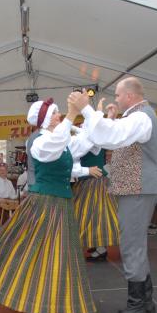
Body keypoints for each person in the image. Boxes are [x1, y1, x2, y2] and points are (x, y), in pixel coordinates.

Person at [0, 98, 97, 313]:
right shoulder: (39, 141)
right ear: (45, 119)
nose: (59, 115)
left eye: (59, 113)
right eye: (55, 113)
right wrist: (73, 116)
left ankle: (55, 303)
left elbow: (85, 142)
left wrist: (96, 115)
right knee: (43, 251)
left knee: (60, 253)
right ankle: (43, 302)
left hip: (60, 201)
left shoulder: (60, 139)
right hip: (46, 202)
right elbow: (55, 145)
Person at [69, 77, 157, 313]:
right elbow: (110, 136)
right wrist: (108, 119)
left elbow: (112, 136)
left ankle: (138, 305)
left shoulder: (141, 117)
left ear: (130, 96)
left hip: (138, 188)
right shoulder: (136, 116)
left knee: (131, 244)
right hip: (135, 188)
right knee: (134, 243)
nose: (116, 99)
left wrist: (86, 109)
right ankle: (146, 302)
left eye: (119, 96)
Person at [70, 106, 115, 262]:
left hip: (94, 181)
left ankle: (100, 248)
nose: (83, 128)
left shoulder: (93, 140)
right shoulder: (93, 138)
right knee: (92, 215)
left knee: (94, 215)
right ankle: (95, 245)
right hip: (90, 180)